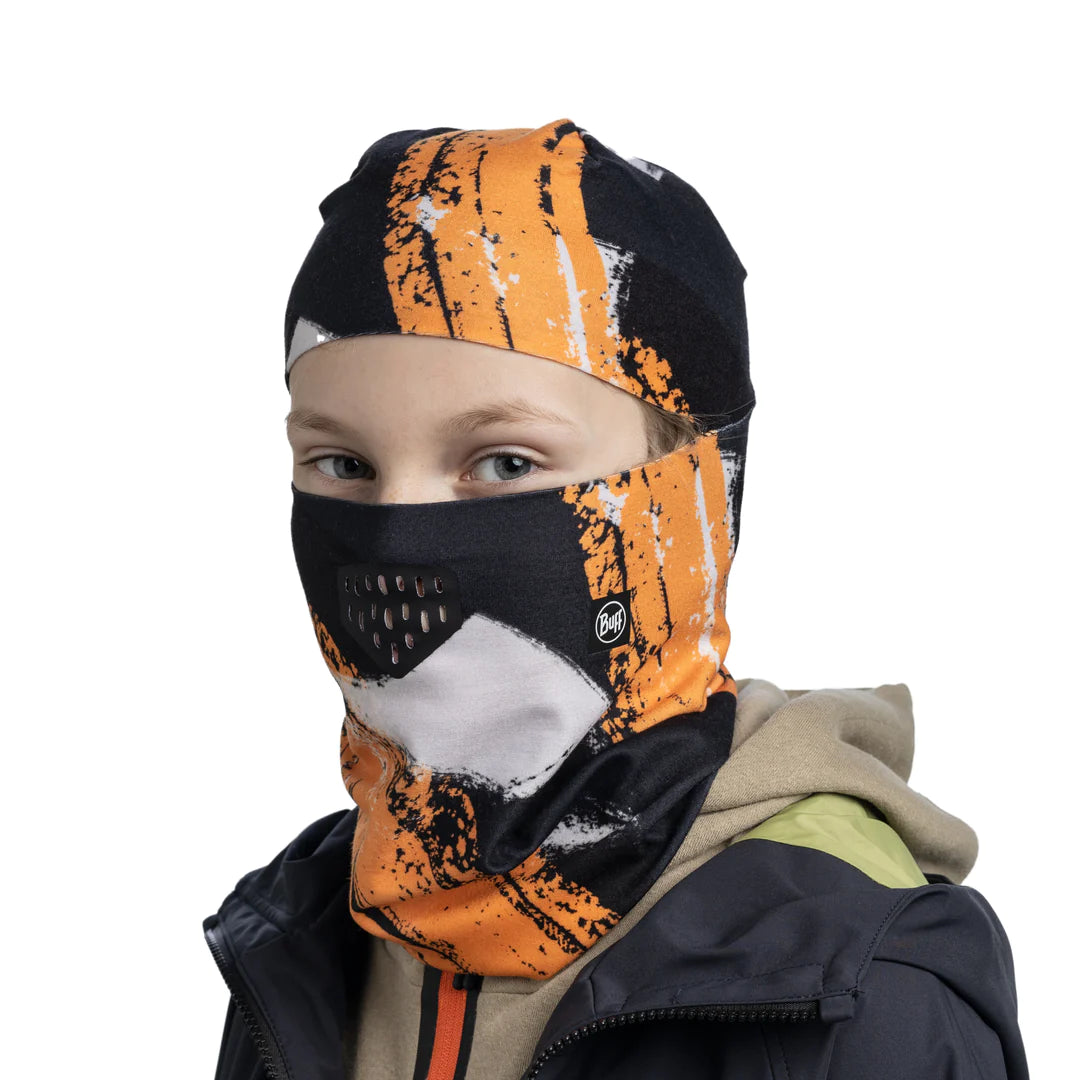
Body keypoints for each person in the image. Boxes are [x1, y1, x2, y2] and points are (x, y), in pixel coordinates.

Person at [203, 118, 1028, 1079]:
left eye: (505, 462)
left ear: (694, 498)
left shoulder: (854, 988)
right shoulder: (304, 935)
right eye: (343, 463)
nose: (394, 538)